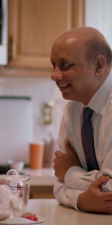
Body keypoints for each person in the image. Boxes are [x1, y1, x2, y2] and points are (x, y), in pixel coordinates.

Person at [51, 26, 112, 213]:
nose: (54, 75)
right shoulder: (73, 109)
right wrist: (81, 200)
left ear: (98, 66)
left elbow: (109, 192)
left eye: (65, 65)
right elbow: (59, 187)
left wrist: (70, 172)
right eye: (53, 65)